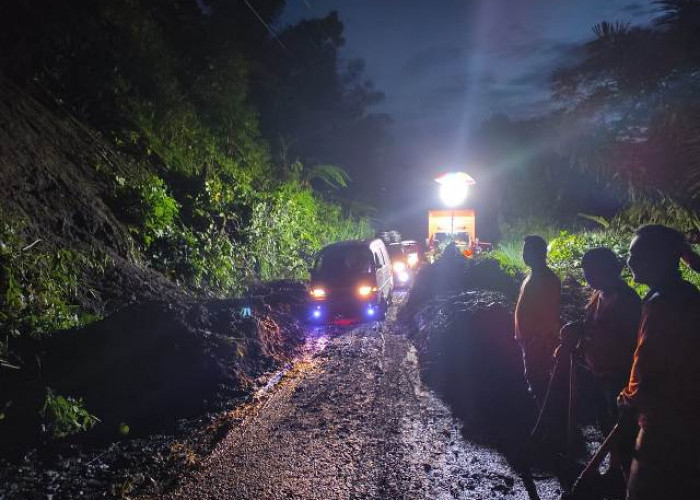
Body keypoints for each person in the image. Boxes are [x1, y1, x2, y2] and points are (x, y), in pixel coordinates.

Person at [617, 225, 700, 500]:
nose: (630, 261)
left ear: (660, 259)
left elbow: (647, 364)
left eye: (637, 255)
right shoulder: (686, 294)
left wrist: (629, 399)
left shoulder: (662, 304)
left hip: (663, 420)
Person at [580, 248, 641, 435]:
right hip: (599, 372)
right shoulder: (598, 295)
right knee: (606, 422)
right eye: (585, 270)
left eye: (590, 270)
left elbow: (632, 341)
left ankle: (621, 462)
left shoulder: (628, 300)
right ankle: (615, 460)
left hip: (618, 375)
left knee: (620, 425)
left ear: (606, 269)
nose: (586, 276)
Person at [515, 235, 562, 410]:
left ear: (540, 253)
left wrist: (540, 338)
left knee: (540, 381)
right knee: (534, 380)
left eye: (528, 250)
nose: (524, 255)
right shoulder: (533, 276)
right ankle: (545, 419)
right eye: (524, 251)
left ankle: (549, 422)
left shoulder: (547, 279)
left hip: (539, 341)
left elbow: (549, 311)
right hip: (529, 340)